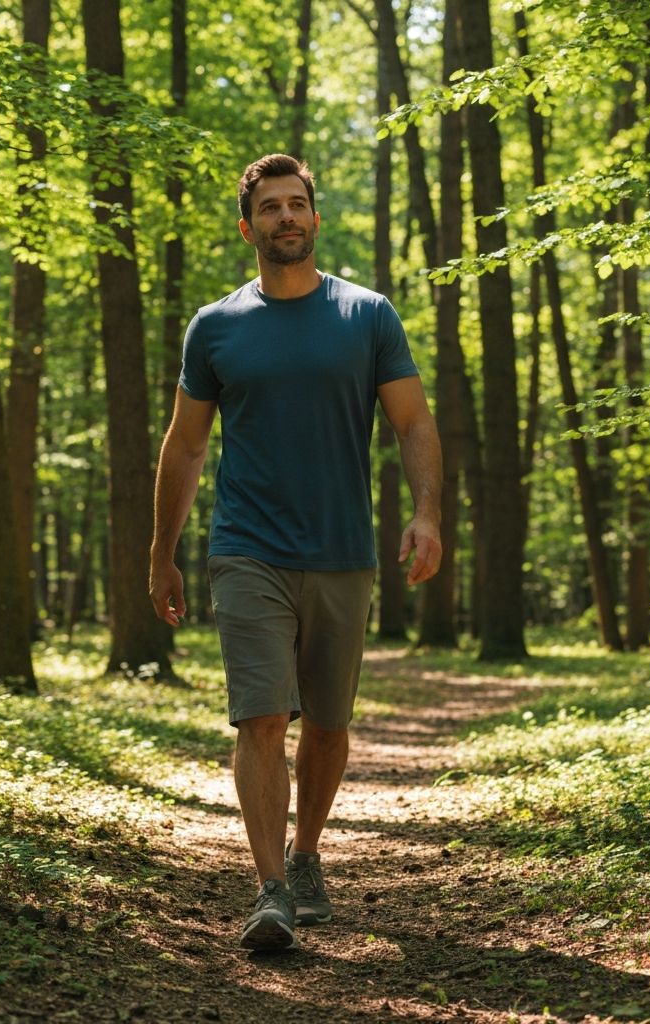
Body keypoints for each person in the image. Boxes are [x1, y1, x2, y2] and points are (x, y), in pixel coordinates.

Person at [149, 153, 442, 953]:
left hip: (344, 550)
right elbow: (183, 447)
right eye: (271, 208)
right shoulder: (215, 327)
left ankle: (309, 854)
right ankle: (270, 887)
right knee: (262, 716)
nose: (286, 217)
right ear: (248, 228)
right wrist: (162, 555)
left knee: (328, 723)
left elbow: (413, 423)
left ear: (315, 217)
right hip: (246, 547)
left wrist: (426, 516)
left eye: (298, 204)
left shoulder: (368, 316)